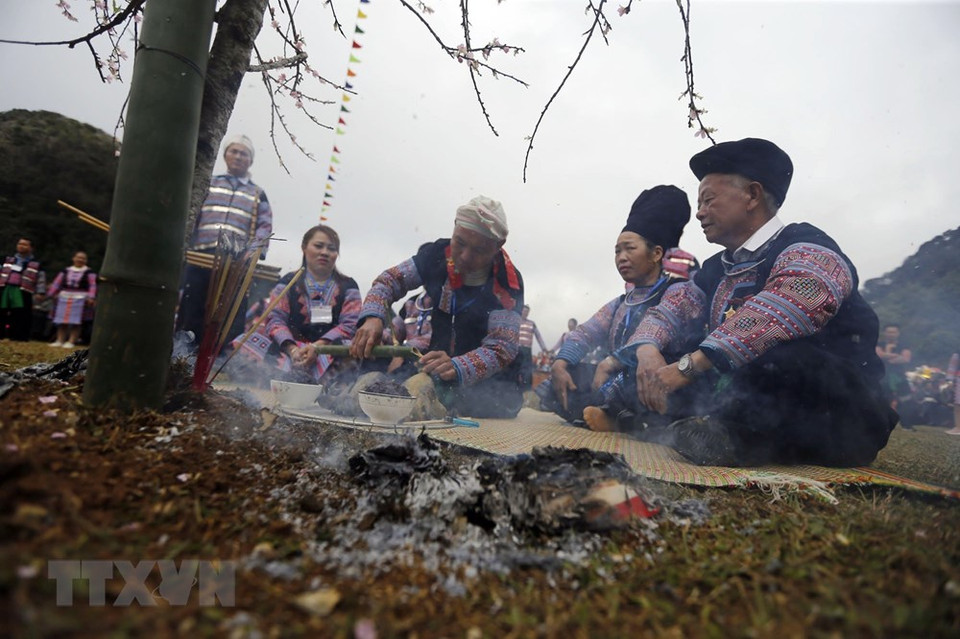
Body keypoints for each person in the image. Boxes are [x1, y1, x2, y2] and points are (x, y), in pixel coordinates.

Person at [628, 137, 897, 467]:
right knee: (664, 358)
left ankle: (727, 434)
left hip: (836, 410)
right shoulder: (716, 267)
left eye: (708, 200)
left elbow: (793, 303)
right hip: (742, 396)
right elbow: (674, 306)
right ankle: (675, 422)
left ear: (752, 195)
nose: (699, 213)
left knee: (777, 356)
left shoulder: (808, 244)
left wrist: (690, 365)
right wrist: (647, 351)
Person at [350, 195, 525, 418]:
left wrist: (458, 366)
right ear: (454, 227)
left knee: (455, 396)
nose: (464, 256)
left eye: (479, 250)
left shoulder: (507, 282)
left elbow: (502, 347)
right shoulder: (437, 255)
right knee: (385, 384)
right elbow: (389, 281)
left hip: (488, 383)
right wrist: (373, 317)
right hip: (433, 367)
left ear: (498, 247)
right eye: (459, 242)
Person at [539, 186, 692, 431]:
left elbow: (659, 324)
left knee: (631, 379)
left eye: (630, 248)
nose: (621, 257)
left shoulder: (679, 290)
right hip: (610, 377)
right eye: (617, 250)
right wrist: (561, 362)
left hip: (651, 380)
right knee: (560, 381)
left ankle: (620, 418)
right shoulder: (622, 301)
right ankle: (617, 417)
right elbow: (586, 332)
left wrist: (612, 362)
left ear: (655, 253)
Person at [176, 135, 273, 348]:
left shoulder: (257, 193)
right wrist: (185, 244)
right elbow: (192, 215)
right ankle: (182, 355)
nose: (238, 157)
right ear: (225, 155)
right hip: (201, 253)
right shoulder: (210, 183)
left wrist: (254, 253)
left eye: (244, 153)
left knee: (229, 309)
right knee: (192, 304)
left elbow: (264, 227)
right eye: (234, 151)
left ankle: (219, 356)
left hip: (236, 259)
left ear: (251, 160)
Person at [233, 225, 360, 384]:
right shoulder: (288, 281)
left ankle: (326, 387)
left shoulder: (348, 285)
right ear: (304, 247)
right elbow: (275, 318)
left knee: (350, 347)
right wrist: (292, 349)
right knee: (246, 340)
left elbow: (350, 324)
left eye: (332, 248)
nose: (325, 252)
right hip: (290, 351)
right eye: (318, 246)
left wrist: (318, 347)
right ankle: (276, 379)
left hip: (328, 352)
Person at [47, 251, 97, 348]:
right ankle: (60, 340)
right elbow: (57, 283)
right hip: (64, 297)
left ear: (86, 260)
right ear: (73, 258)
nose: (80, 260)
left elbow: (93, 285)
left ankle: (71, 341)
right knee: (61, 320)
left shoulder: (89, 273)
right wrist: (51, 294)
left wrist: (91, 297)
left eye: (83, 258)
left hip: (80, 298)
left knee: (76, 321)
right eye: (78, 257)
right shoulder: (65, 271)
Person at [0, 238, 46, 341]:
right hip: (5, 288)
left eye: (25, 244)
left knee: (21, 315)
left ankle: (19, 337)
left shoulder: (36, 264)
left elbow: (41, 279)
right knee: (2, 312)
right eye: (20, 243)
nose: (21, 246)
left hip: (24, 291)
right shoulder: (7, 259)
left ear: (31, 248)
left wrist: (40, 292)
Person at [875, 324, 912, 410]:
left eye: (893, 332)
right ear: (884, 333)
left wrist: (887, 356)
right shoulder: (879, 344)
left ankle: (906, 418)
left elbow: (906, 359)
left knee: (905, 398)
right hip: (882, 375)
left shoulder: (904, 345)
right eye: (889, 332)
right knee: (882, 398)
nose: (891, 334)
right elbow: (878, 354)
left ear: (898, 333)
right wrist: (893, 354)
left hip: (899, 375)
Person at [518, 305, 549, 389]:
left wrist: (544, 348)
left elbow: (538, 336)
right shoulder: (516, 321)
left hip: (527, 350)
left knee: (527, 371)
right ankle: (514, 390)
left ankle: (527, 390)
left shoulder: (531, 323)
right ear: (521, 311)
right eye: (524, 311)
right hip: (517, 349)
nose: (525, 313)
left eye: (527, 311)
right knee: (516, 370)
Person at [947, 353, 960, 436]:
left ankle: (958, 427)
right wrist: (950, 380)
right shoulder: (957, 355)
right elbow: (952, 366)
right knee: (957, 405)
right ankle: (958, 427)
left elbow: (952, 366)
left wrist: (950, 379)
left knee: (958, 405)